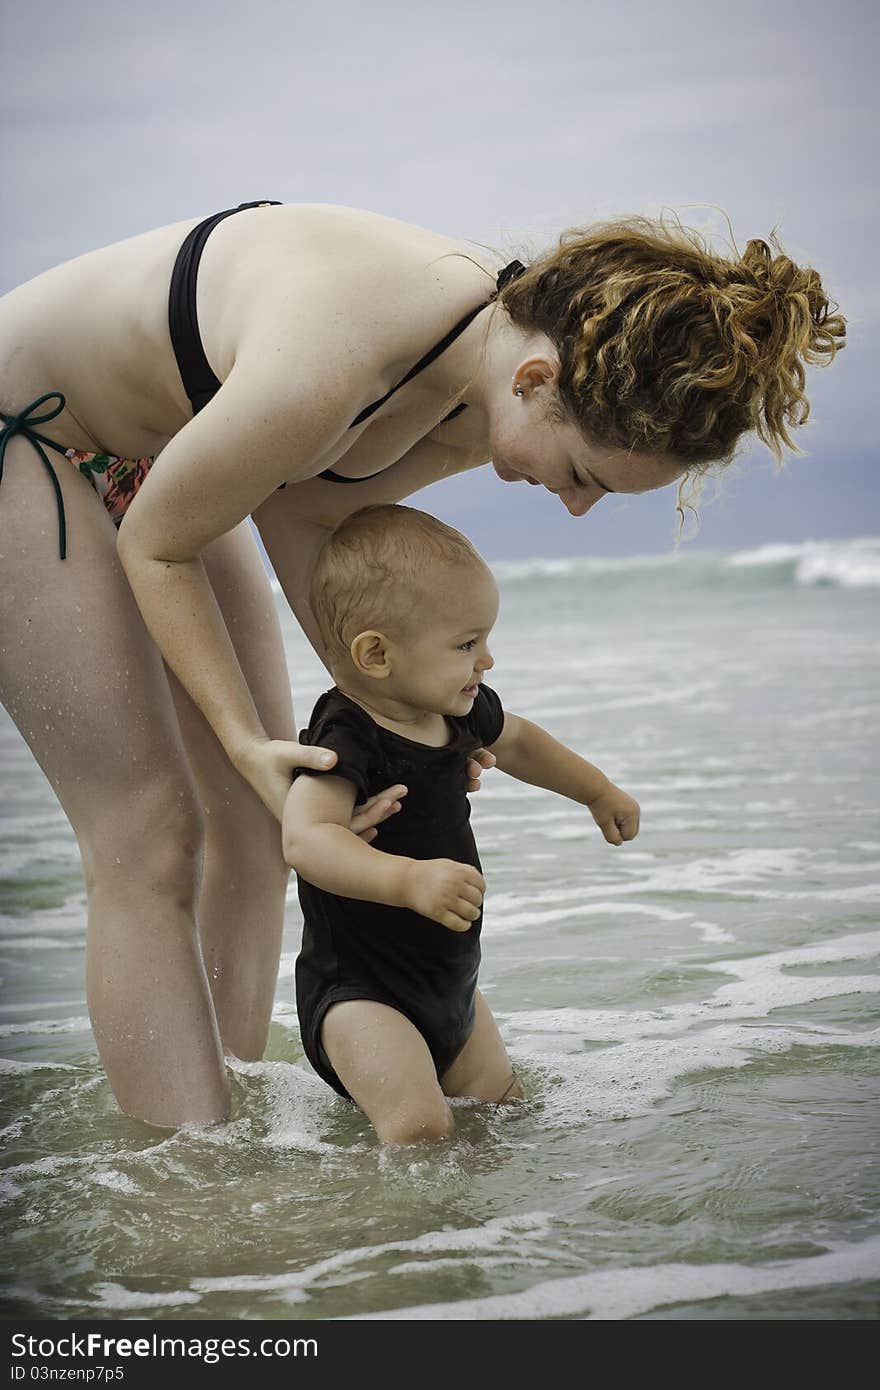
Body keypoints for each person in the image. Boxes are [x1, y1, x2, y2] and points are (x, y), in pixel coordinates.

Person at [0, 201, 845, 1129]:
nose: (572, 508)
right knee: (150, 835)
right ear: (536, 379)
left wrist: (405, 722)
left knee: (262, 816)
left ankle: (227, 1103)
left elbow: (300, 512)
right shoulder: (344, 358)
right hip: (28, 435)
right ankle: (184, 1177)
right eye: (582, 476)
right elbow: (160, 546)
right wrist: (243, 739)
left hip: (151, 456)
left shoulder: (470, 382)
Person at [282, 503, 640, 1144]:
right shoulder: (347, 732)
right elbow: (306, 838)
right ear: (377, 654)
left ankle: (489, 1239)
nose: (488, 661)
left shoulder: (458, 711)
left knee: (507, 1114)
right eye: (466, 644)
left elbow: (522, 743)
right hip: (361, 993)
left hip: (454, 988)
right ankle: (394, 1239)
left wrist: (596, 791)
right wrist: (407, 881)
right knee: (420, 1128)